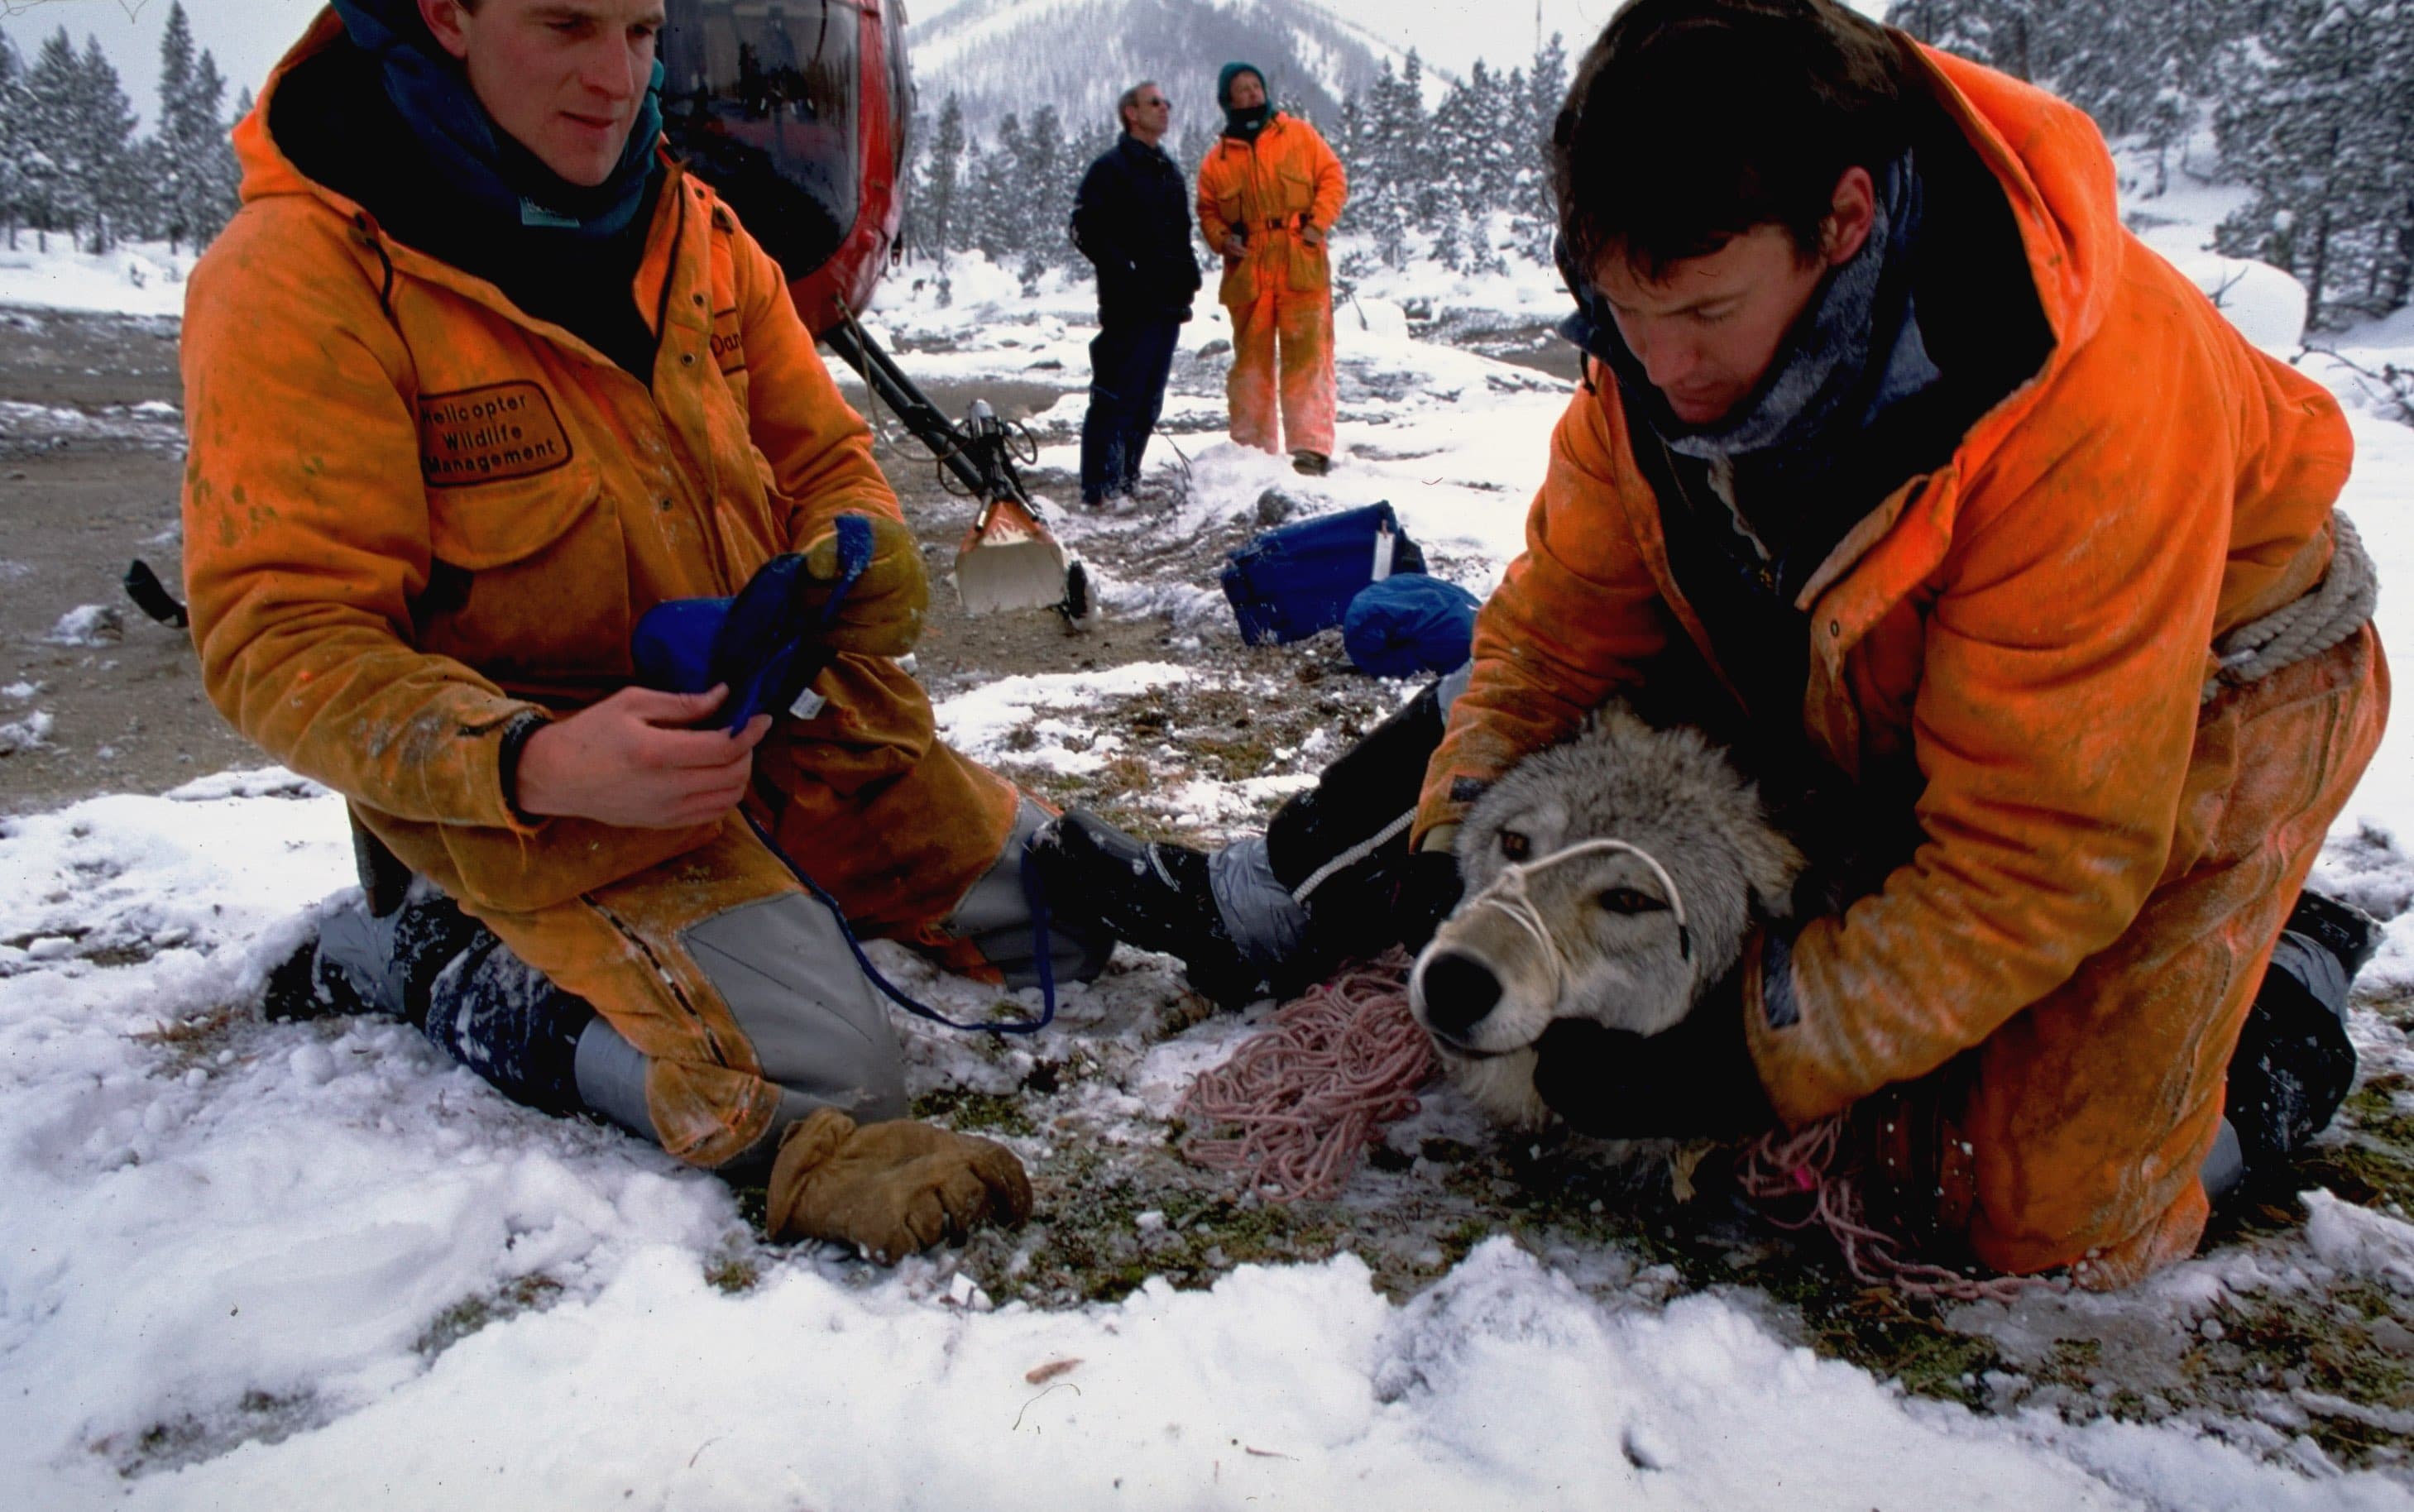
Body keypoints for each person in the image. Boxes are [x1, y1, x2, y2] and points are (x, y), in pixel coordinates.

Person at [1044, 0, 2389, 1290]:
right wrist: (1459, 832)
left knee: (2037, 1203)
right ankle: (1261, 897)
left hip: (2209, 684)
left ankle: (2287, 971)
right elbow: (1554, 641)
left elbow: (2030, 857)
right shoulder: (1649, 352)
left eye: (1701, 317)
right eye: (1627, 313)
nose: (1662, 370)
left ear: (1843, 223)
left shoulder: (2087, 414)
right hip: (1848, 652)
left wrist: (1746, 1055)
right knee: (1540, 723)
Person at [181, 0, 1118, 1265]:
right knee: (832, 1076)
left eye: (638, 30)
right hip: (542, 795)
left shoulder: (694, 226)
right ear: (449, 13)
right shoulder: (302, 273)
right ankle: (423, 951)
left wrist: (860, 550)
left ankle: (789, 884)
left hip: (763, 728)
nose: (616, 79)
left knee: (1058, 925)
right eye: (568, 28)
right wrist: (538, 762)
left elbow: (825, 459)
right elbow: (276, 633)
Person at [1193, 63, 1346, 476]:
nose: (1252, 95)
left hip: (1301, 259)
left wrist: (1316, 226)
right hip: (1249, 267)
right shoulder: (1217, 161)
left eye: (1256, 86)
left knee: (1308, 358)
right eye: (1241, 90)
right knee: (1251, 365)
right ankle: (1252, 451)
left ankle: (1310, 449)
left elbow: (1333, 178)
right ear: (1228, 101)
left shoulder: (1299, 135)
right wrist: (1223, 239)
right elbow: (1207, 211)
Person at [1070, 80, 1200, 507]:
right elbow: (1083, 227)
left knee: (1148, 400)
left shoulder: (1168, 169)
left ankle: (1127, 480)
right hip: (1128, 304)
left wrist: (1189, 276)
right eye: (1155, 103)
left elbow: (1180, 233)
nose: (1165, 109)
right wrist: (1122, 271)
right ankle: (1101, 489)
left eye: (1167, 102)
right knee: (1115, 395)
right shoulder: (1111, 168)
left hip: (1166, 303)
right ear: (1131, 113)